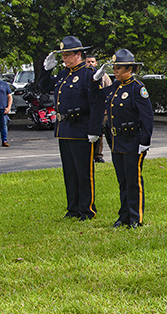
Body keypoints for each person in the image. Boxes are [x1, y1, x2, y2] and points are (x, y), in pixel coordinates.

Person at [39, 36, 103, 221]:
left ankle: (87, 209)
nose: (64, 58)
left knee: (84, 172)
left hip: (81, 128)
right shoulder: (62, 74)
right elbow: (44, 86)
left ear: (78, 54)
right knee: (70, 172)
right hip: (65, 128)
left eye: (67, 55)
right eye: (62, 55)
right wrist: (46, 69)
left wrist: (94, 130)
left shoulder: (89, 74)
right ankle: (73, 208)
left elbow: (96, 104)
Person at [95, 49, 154, 228]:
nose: (115, 70)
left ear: (130, 68)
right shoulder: (115, 87)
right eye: (114, 66)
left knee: (133, 180)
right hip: (116, 140)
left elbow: (147, 117)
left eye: (119, 67)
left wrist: (145, 141)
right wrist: (95, 80)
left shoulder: (137, 88)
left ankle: (136, 217)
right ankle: (124, 216)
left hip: (133, 141)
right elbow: (96, 96)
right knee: (122, 180)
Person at [85, 54, 112, 163]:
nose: (90, 64)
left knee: (99, 132)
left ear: (96, 63)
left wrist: (105, 107)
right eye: (88, 62)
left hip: (101, 109)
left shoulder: (103, 76)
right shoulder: (84, 76)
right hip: (88, 109)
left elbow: (108, 91)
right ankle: (88, 154)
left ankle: (98, 154)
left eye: (92, 62)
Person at [0, 77, 11, 147]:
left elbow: (10, 96)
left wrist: (8, 107)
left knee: (4, 125)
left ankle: (4, 140)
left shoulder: (4, 84)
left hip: (2, 109)